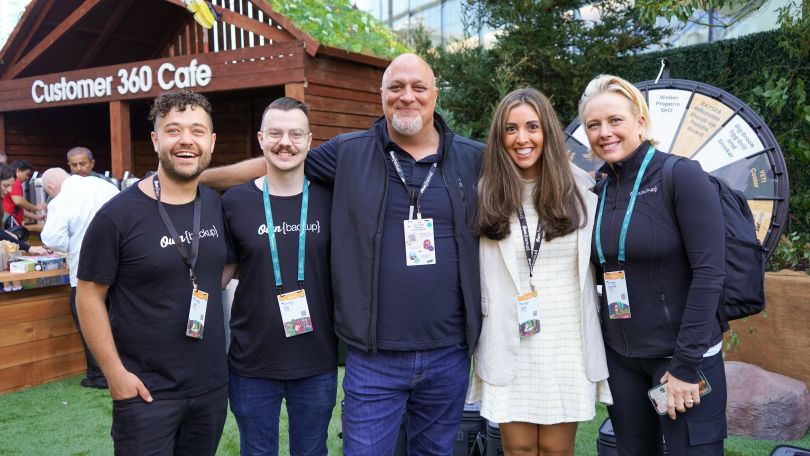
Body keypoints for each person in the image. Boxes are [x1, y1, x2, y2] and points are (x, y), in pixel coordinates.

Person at [201, 53, 482, 455]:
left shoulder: (472, 159)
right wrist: (193, 177)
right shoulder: (349, 153)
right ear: (381, 94)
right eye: (396, 88)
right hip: (372, 356)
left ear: (435, 94)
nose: (407, 97)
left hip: (448, 352)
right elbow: (280, 163)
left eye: (418, 87)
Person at [76, 90, 231, 455]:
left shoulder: (215, 204)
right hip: (145, 392)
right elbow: (88, 296)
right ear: (155, 139)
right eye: (173, 130)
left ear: (211, 142)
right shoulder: (117, 216)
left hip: (209, 388)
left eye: (197, 130)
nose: (186, 140)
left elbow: (222, 266)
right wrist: (114, 375)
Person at [579, 74, 727, 455]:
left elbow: (710, 274)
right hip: (623, 361)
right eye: (593, 125)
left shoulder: (681, 176)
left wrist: (684, 367)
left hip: (678, 359)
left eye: (615, 120)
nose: (604, 132)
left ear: (640, 122)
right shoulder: (600, 188)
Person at [468, 88, 611, 455]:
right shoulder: (485, 193)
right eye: (511, 129)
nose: (522, 138)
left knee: (556, 450)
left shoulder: (581, 189)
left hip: (567, 341)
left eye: (532, 126)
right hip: (508, 337)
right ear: (500, 137)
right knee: (517, 450)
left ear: (547, 129)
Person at [221, 97, 337, 455]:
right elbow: (220, 274)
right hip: (252, 360)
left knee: (312, 450)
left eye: (295, 134)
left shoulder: (332, 198)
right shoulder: (234, 201)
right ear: (260, 138)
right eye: (275, 133)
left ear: (309, 139)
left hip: (316, 359)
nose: (285, 142)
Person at [40, 167, 119, 389]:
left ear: (51, 188)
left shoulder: (61, 199)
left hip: (85, 271)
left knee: (90, 322)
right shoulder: (104, 186)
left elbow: (52, 238)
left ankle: (99, 375)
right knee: (119, 319)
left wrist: (71, 246)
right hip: (120, 266)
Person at [2, 160, 45, 226]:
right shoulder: (16, 182)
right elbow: (19, 201)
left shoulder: (14, 182)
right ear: (18, 170)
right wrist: (36, 207)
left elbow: (19, 209)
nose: (27, 178)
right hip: (9, 221)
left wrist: (37, 217)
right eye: (27, 174)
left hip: (11, 220)